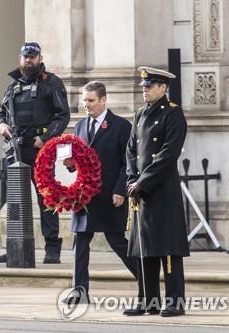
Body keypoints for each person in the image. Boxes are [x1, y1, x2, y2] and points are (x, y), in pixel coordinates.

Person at [62, 81, 138, 304]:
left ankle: (146, 281)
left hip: (109, 196)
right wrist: (69, 164)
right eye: (84, 100)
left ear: (103, 100)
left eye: (91, 100)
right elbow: (78, 162)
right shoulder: (80, 127)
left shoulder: (121, 126)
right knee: (80, 244)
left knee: (117, 242)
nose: (86, 105)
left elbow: (128, 163)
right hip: (84, 198)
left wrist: (120, 191)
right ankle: (79, 292)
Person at [0, 42, 70, 264]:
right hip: (16, 149)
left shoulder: (51, 82)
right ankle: (15, 248)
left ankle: (52, 248)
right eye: (25, 57)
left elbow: (62, 115)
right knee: (16, 201)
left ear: (39, 58)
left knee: (46, 198)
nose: (28, 60)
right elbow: (0, 113)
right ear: (20, 58)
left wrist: (45, 139)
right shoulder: (12, 86)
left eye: (32, 57)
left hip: (40, 149)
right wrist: (0, 126)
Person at [124, 67, 189, 317]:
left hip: (161, 189)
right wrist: (132, 179)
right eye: (143, 86)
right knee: (144, 248)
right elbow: (131, 151)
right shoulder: (140, 114)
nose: (145, 90)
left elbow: (168, 153)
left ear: (163, 88)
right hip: (140, 191)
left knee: (167, 247)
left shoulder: (173, 113)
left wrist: (144, 181)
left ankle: (174, 301)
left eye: (149, 86)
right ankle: (147, 300)